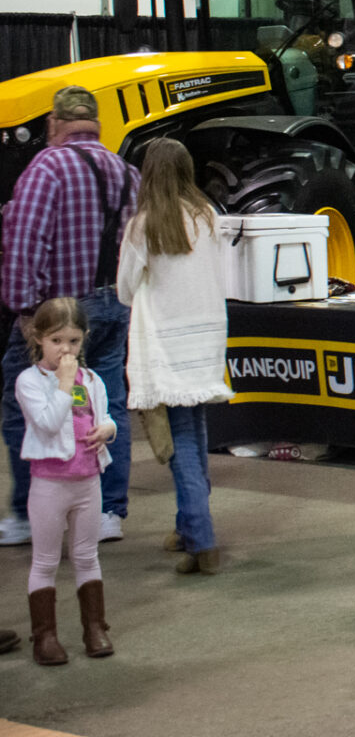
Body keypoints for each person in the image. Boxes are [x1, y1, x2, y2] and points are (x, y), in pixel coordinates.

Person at [1, 86, 139, 548]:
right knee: (105, 406)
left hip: (58, 320)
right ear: (96, 125)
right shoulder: (127, 172)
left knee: (24, 403)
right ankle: (105, 512)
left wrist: (24, 310)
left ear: (54, 125)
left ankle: (28, 515)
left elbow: (26, 242)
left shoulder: (46, 167)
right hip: (114, 306)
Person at [115, 139, 231, 577]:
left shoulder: (143, 226)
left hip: (166, 345)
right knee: (194, 431)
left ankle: (202, 540)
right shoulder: (207, 218)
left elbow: (126, 290)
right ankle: (187, 527)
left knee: (178, 441)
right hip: (205, 339)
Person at [16, 298, 117, 665]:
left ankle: (95, 628)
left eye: (74, 341)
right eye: (57, 340)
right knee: (45, 560)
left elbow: (107, 417)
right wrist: (62, 382)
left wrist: (108, 429)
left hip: (88, 481)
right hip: (49, 485)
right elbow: (46, 422)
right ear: (38, 338)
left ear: (84, 340)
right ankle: (45, 636)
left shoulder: (92, 380)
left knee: (87, 555)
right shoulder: (30, 381)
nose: (65, 349)